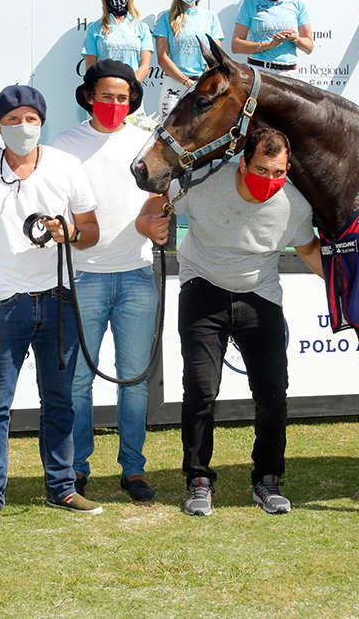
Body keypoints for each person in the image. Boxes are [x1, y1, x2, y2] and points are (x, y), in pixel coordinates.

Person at [137, 127, 323, 517]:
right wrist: (147, 224)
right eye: (261, 169)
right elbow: (156, 203)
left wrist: (348, 286)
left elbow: (308, 248)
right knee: (201, 390)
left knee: (273, 392)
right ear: (242, 162)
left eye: (278, 172)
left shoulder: (295, 204)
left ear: (288, 169)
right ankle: (199, 480)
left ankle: (268, 480)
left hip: (261, 296)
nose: (269, 180)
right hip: (203, 289)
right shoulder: (206, 181)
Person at [0, 84, 102, 529]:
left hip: (58, 298)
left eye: (31, 119)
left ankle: (62, 487)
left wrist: (70, 234)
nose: (23, 128)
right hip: (1, 303)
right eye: (13, 120)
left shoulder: (67, 166)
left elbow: (92, 229)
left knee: (59, 400)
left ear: (43, 122)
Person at [50, 59, 158, 502]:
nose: (114, 104)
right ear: (88, 96)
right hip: (82, 279)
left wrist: (155, 220)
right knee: (78, 382)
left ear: (132, 100)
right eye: (106, 96)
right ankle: (76, 468)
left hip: (136, 275)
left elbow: (159, 197)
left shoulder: (147, 141)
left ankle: (133, 468)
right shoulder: (63, 145)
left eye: (122, 97)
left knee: (134, 380)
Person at [153, 0, 224, 120]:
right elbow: (162, 57)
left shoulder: (210, 17)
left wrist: (202, 80)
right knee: (168, 137)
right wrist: (186, 82)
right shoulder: (165, 17)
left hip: (203, 84)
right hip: (174, 84)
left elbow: (216, 54)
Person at [232, 0, 313, 76]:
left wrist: (294, 38)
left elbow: (309, 47)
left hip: (288, 73)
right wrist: (268, 45)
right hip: (259, 72)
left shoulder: (297, 3)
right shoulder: (250, 1)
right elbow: (236, 46)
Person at [82, 0, 153, 83]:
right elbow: (91, 69)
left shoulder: (141, 28)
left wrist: (130, 88)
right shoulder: (94, 29)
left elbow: (145, 67)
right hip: (105, 93)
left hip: (132, 92)